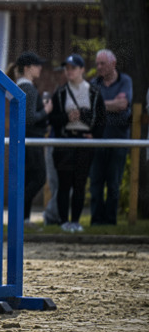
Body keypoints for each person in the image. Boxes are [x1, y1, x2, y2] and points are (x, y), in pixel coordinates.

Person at [48, 54, 105, 232]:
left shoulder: (94, 92)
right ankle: (64, 221)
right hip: (65, 141)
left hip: (84, 142)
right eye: (67, 68)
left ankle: (76, 221)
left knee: (80, 184)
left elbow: (101, 119)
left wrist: (93, 134)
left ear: (82, 70)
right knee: (64, 184)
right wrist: (67, 117)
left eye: (73, 68)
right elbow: (53, 119)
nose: (69, 71)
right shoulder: (60, 92)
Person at [87, 49, 133, 225]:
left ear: (113, 64)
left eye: (102, 63)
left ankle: (110, 220)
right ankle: (96, 220)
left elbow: (123, 104)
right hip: (97, 141)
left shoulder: (125, 81)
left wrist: (100, 106)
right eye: (97, 64)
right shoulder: (94, 83)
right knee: (96, 183)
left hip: (118, 140)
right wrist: (111, 105)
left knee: (114, 183)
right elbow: (89, 107)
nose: (98, 67)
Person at [13, 51, 52, 224]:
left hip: (25, 139)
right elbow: (29, 118)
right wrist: (46, 111)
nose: (40, 68)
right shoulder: (28, 87)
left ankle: (24, 218)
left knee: (28, 178)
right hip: (31, 139)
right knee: (38, 177)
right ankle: (19, 212)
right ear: (28, 68)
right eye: (37, 65)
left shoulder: (20, 86)